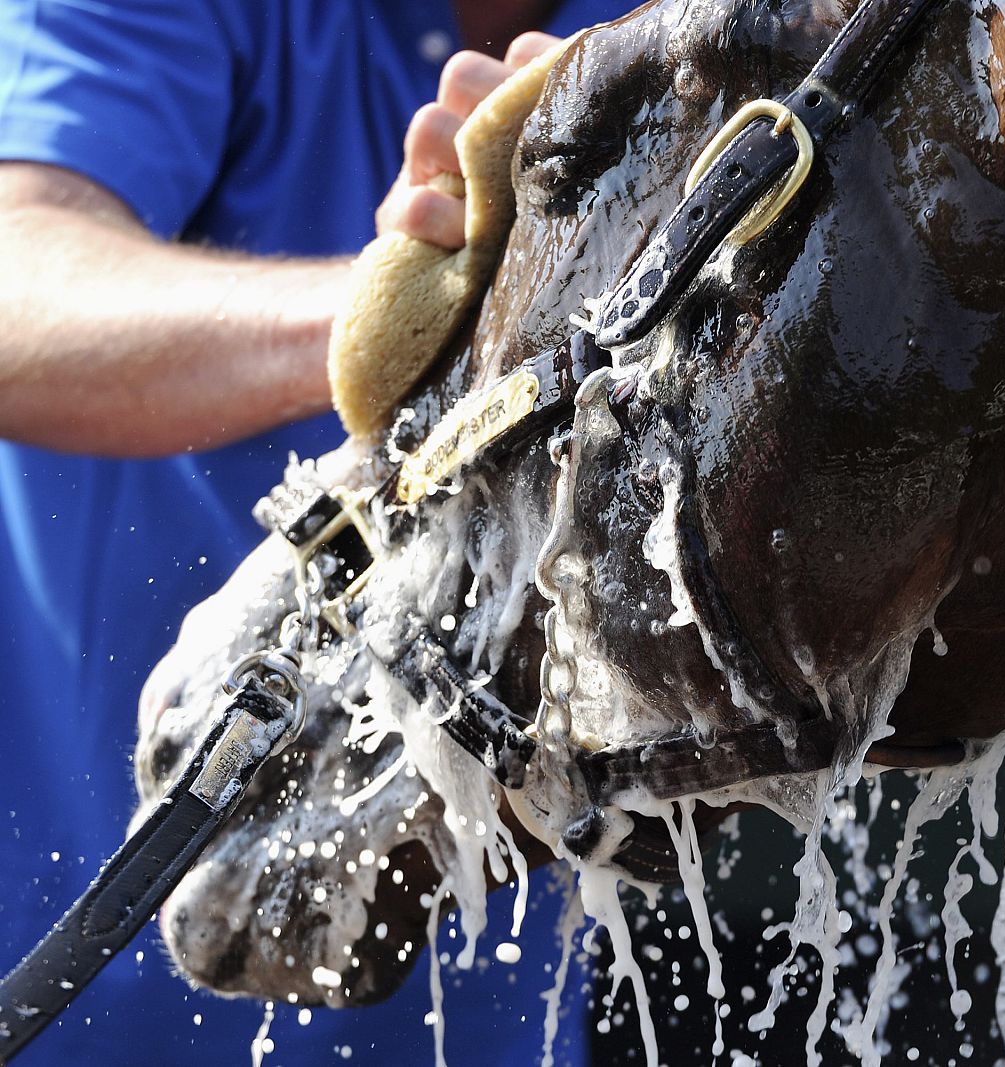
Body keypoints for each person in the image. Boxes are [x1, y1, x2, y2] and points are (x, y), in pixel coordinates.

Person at [0, 0, 629, 1060]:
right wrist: (419, 313)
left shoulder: (710, 27)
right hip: (65, 1009)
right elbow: (20, 281)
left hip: (479, 1031)